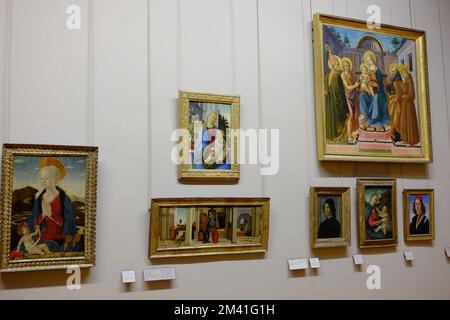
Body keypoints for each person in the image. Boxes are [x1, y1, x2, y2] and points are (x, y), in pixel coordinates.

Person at [27, 157, 77, 252]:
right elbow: (33, 218)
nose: (43, 181)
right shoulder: (39, 199)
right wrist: (41, 217)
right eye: (41, 179)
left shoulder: (64, 199)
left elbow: (70, 222)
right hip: (42, 234)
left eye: (47, 178)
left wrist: (51, 216)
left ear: (54, 179)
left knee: (50, 247)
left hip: (59, 236)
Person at [324, 44, 348, 143]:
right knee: (330, 118)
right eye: (335, 63)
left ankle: (335, 136)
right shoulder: (327, 75)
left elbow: (341, 93)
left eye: (336, 63)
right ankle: (330, 136)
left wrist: (344, 107)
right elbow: (326, 87)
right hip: (329, 101)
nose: (336, 64)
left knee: (337, 118)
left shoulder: (337, 76)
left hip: (336, 102)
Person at [359, 50, 390, 131]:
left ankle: (373, 118)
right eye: (368, 60)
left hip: (377, 91)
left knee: (376, 97)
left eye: (370, 60)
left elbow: (379, 84)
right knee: (362, 95)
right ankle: (365, 115)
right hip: (367, 91)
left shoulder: (377, 70)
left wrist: (374, 85)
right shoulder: (365, 69)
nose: (369, 62)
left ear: (373, 59)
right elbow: (362, 82)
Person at [398, 64, 420, 146]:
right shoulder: (404, 81)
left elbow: (412, 95)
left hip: (409, 105)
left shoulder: (409, 80)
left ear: (406, 72)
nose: (403, 74)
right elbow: (401, 92)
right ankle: (405, 139)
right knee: (404, 121)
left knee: (409, 122)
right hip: (404, 104)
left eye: (404, 72)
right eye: (401, 72)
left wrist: (404, 96)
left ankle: (411, 141)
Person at [340, 57, 360, 143]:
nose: (347, 67)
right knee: (350, 116)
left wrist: (358, 83)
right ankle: (348, 137)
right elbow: (347, 87)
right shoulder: (342, 75)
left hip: (354, 96)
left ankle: (352, 133)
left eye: (348, 65)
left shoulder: (351, 74)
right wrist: (355, 85)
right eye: (345, 66)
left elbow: (355, 83)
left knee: (355, 116)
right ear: (343, 67)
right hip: (347, 97)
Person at [385, 63, 403, 142]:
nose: (393, 72)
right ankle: (394, 134)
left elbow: (400, 91)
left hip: (397, 101)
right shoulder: (390, 79)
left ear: (397, 71)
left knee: (397, 117)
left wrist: (397, 97)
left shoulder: (399, 80)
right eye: (392, 71)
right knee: (392, 117)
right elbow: (387, 89)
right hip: (391, 99)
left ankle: (399, 134)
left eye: (394, 71)